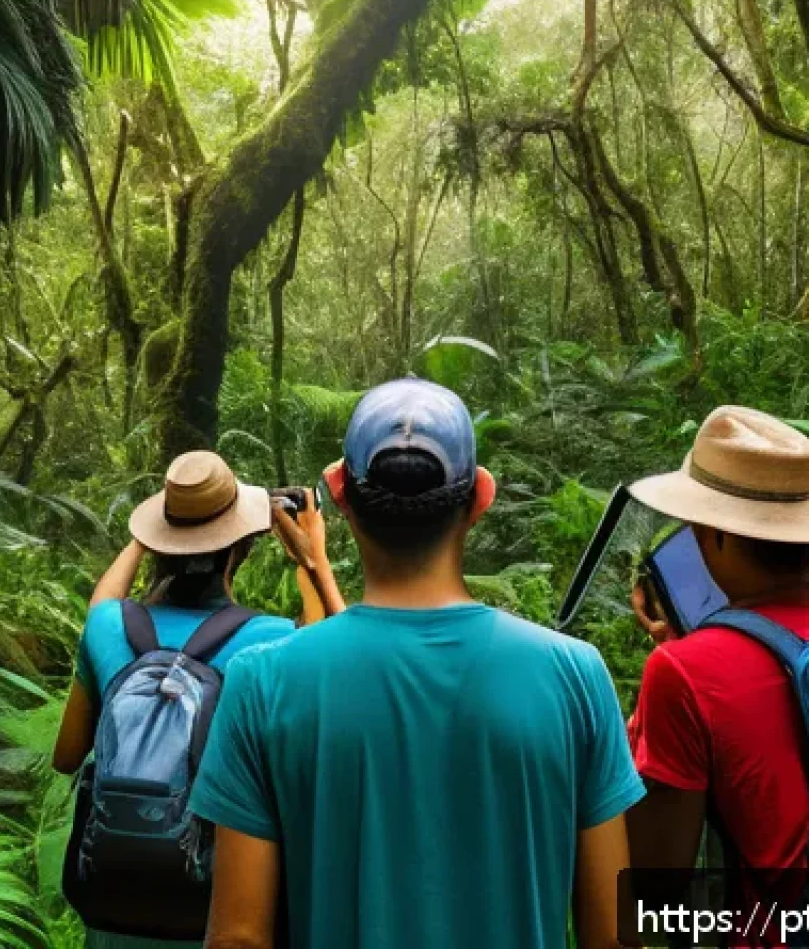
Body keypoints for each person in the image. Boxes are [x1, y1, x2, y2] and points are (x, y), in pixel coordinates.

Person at [188, 377, 645, 949]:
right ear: (480, 497)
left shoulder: (262, 683)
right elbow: (614, 935)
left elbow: (239, 938)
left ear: (339, 493)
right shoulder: (575, 675)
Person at [53, 450, 297, 949]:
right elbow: (331, 651)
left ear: (157, 541)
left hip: (112, 907)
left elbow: (66, 757)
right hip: (212, 909)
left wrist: (142, 539)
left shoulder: (105, 627)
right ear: (242, 548)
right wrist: (306, 558)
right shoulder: (272, 640)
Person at [625, 407, 809, 936]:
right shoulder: (691, 666)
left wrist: (672, 673)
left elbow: (656, 886)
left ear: (714, 534)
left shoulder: (684, 674)